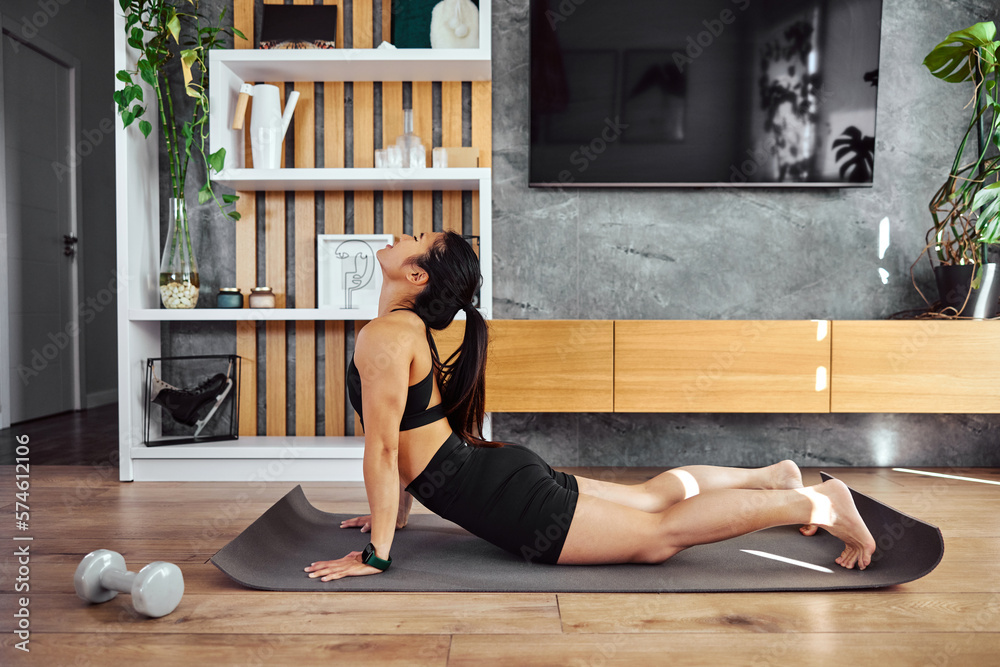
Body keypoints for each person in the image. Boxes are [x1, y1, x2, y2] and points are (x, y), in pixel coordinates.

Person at [304, 232, 876, 581]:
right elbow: (404, 436)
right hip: (500, 476)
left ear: (416, 274)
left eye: (414, 239)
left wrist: (376, 554)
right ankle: (770, 477)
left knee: (659, 537)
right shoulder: (397, 331)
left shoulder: (385, 336)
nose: (400, 237)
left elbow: (384, 447)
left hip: (506, 497)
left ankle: (818, 503)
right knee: (652, 499)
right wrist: (395, 516)